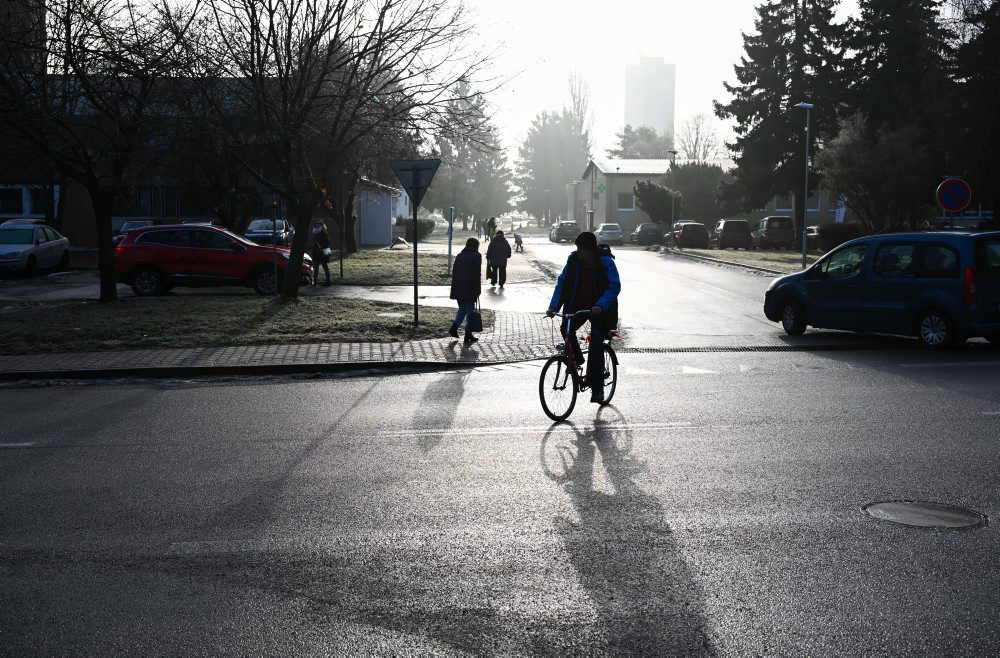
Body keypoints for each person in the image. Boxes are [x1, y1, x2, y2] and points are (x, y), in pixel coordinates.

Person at [546, 231, 621, 403]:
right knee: (566, 328)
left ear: (590, 249)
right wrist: (553, 306)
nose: (578, 251)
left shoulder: (606, 263)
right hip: (578, 307)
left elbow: (614, 286)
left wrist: (600, 305)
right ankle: (577, 359)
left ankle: (597, 389)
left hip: (601, 310)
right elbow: (562, 283)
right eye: (577, 248)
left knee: (595, 343)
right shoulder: (573, 262)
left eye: (581, 248)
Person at [449, 237, 482, 344]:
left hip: (458, 287)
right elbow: (476, 275)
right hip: (470, 288)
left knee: (462, 309)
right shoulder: (476, 256)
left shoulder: (460, 255)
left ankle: (454, 328)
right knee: (469, 312)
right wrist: (477, 290)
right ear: (476, 246)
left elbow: (454, 272)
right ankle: (468, 334)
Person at [310, 221, 332, 286]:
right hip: (321, 252)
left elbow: (326, 243)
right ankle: (327, 281)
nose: (316, 226)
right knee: (323, 266)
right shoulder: (323, 232)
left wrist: (319, 249)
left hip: (320, 252)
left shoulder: (319, 233)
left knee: (317, 267)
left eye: (317, 225)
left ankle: (316, 281)